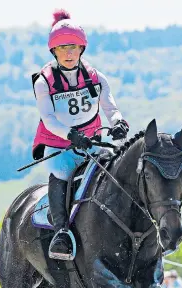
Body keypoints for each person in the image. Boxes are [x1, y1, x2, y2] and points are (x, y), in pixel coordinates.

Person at [32, 9, 129, 261]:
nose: (69, 53)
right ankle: (61, 232)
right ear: (54, 51)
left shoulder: (96, 78)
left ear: (81, 49)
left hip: (91, 141)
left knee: (114, 165)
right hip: (59, 144)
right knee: (62, 172)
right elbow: (48, 119)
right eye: (63, 48)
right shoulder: (44, 81)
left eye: (74, 47)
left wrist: (119, 123)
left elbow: (110, 108)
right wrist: (71, 135)